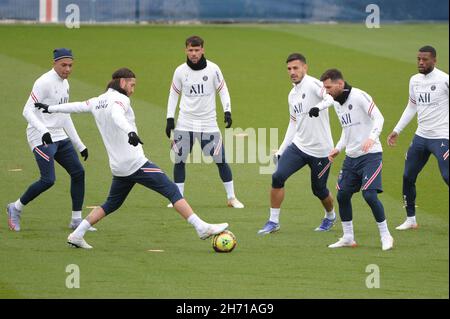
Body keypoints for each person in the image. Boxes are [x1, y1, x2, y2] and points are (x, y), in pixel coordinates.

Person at [35, 68, 228, 249]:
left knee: (111, 204)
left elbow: (76, 106)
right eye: (132, 85)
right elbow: (117, 115)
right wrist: (130, 131)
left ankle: (77, 234)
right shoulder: (120, 100)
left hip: (118, 167)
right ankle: (201, 227)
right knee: (171, 190)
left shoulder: (97, 101)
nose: (133, 90)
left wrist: (50, 108)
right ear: (122, 82)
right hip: (135, 163)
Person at [6, 48, 93, 232]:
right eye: (63, 65)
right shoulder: (43, 82)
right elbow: (26, 111)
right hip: (40, 136)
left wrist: (80, 144)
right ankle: (15, 207)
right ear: (54, 63)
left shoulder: (66, 83)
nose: (67, 69)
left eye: (70, 65)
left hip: (59, 135)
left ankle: (76, 220)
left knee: (78, 172)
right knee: (48, 180)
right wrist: (43, 130)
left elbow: (65, 114)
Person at [257, 53, 336, 235]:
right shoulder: (292, 94)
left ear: (305, 68)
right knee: (277, 177)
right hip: (299, 146)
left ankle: (330, 216)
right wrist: (282, 150)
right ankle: (273, 221)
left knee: (319, 189)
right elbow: (293, 123)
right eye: (289, 69)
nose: (292, 72)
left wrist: (319, 107)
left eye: (296, 68)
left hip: (321, 150)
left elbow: (330, 98)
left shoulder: (314, 85)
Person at [317, 68, 394, 251]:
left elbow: (379, 118)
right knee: (343, 195)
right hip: (351, 157)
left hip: (371, 155)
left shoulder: (359, 96)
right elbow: (347, 129)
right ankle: (348, 237)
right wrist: (338, 147)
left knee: (369, 195)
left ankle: (385, 235)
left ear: (340, 84)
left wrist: (372, 138)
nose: (326, 91)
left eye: (329, 87)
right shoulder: (337, 103)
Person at [165, 35, 244, 209]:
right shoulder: (180, 71)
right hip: (185, 122)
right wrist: (170, 118)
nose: (193, 53)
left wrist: (227, 111)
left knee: (221, 160)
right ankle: (178, 199)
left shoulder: (213, 69)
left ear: (203, 49)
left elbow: (223, 91)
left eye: (197, 50)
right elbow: (173, 94)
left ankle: (231, 198)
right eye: (190, 50)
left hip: (208, 123)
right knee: (179, 160)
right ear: (186, 50)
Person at [387, 45, 449, 231]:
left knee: (447, 176)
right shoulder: (414, 80)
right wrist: (397, 130)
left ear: (434, 60)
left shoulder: (444, 80)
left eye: (425, 59)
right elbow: (411, 106)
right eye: (418, 59)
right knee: (408, 176)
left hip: (442, 137)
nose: (421, 62)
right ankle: (411, 219)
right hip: (421, 137)